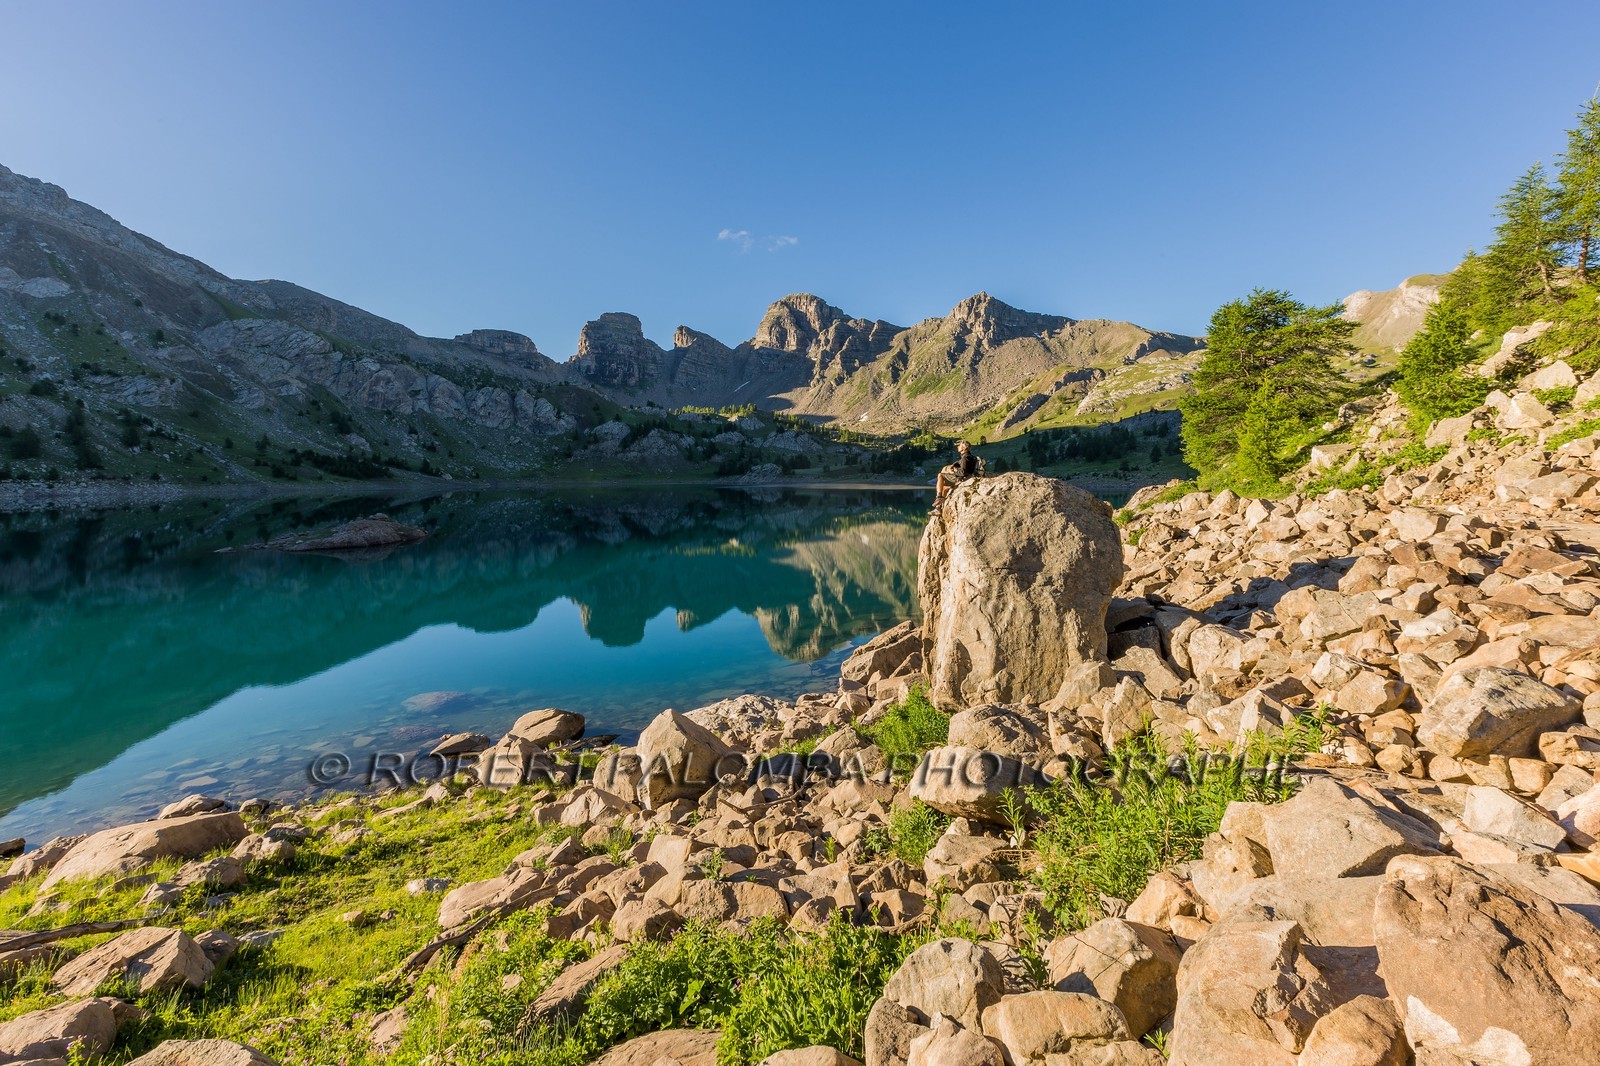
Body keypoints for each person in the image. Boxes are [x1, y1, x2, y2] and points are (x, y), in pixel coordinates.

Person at [933, 440, 979, 509]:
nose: (958, 447)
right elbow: (960, 463)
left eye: (959, 445)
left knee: (940, 475)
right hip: (968, 477)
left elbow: (963, 472)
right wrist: (954, 465)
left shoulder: (965, 458)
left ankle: (939, 497)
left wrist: (953, 473)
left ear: (964, 448)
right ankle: (939, 507)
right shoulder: (969, 456)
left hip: (962, 479)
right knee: (944, 488)